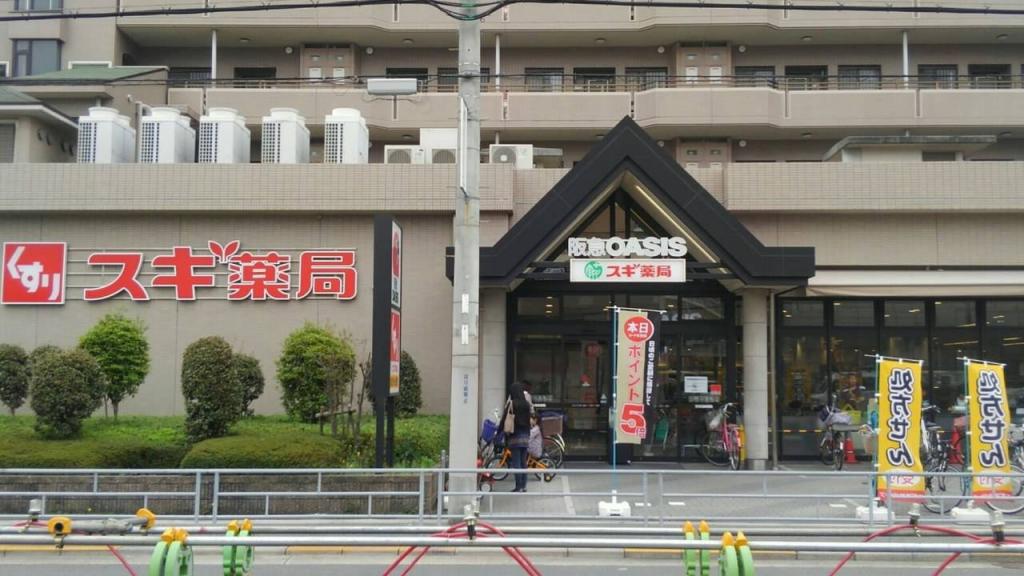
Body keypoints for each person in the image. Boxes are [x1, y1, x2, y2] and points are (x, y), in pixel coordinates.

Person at [503, 381, 533, 493]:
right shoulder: (526, 404)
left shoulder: (512, 403)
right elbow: (530, 419)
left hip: (515, 436)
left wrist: (500, 431)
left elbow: (505, 418)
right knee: (523, 462)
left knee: (516, 463)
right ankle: (524, 486)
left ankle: (518, 486)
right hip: (525, 436)